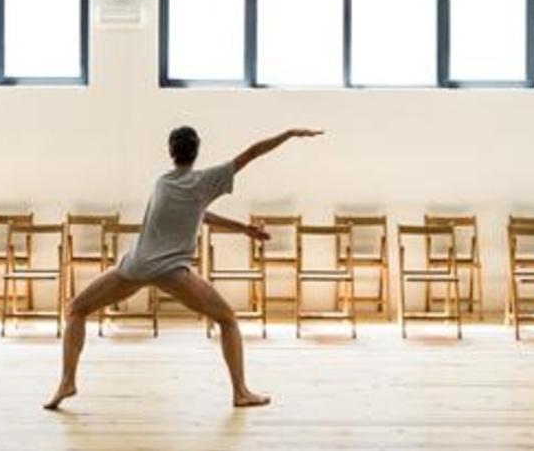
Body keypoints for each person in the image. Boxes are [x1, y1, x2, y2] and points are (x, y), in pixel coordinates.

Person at [44, 126, 325, 410]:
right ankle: (240, 391)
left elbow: (199, 213)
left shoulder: (162, 183)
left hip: (135, 266)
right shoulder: (204, 182)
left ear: (170, 151)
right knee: (227, 320)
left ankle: (67, 381)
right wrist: (289, 134)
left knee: (77, 309)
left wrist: (242, 228)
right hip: (171, 272)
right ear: (197, 151)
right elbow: (252, 153)